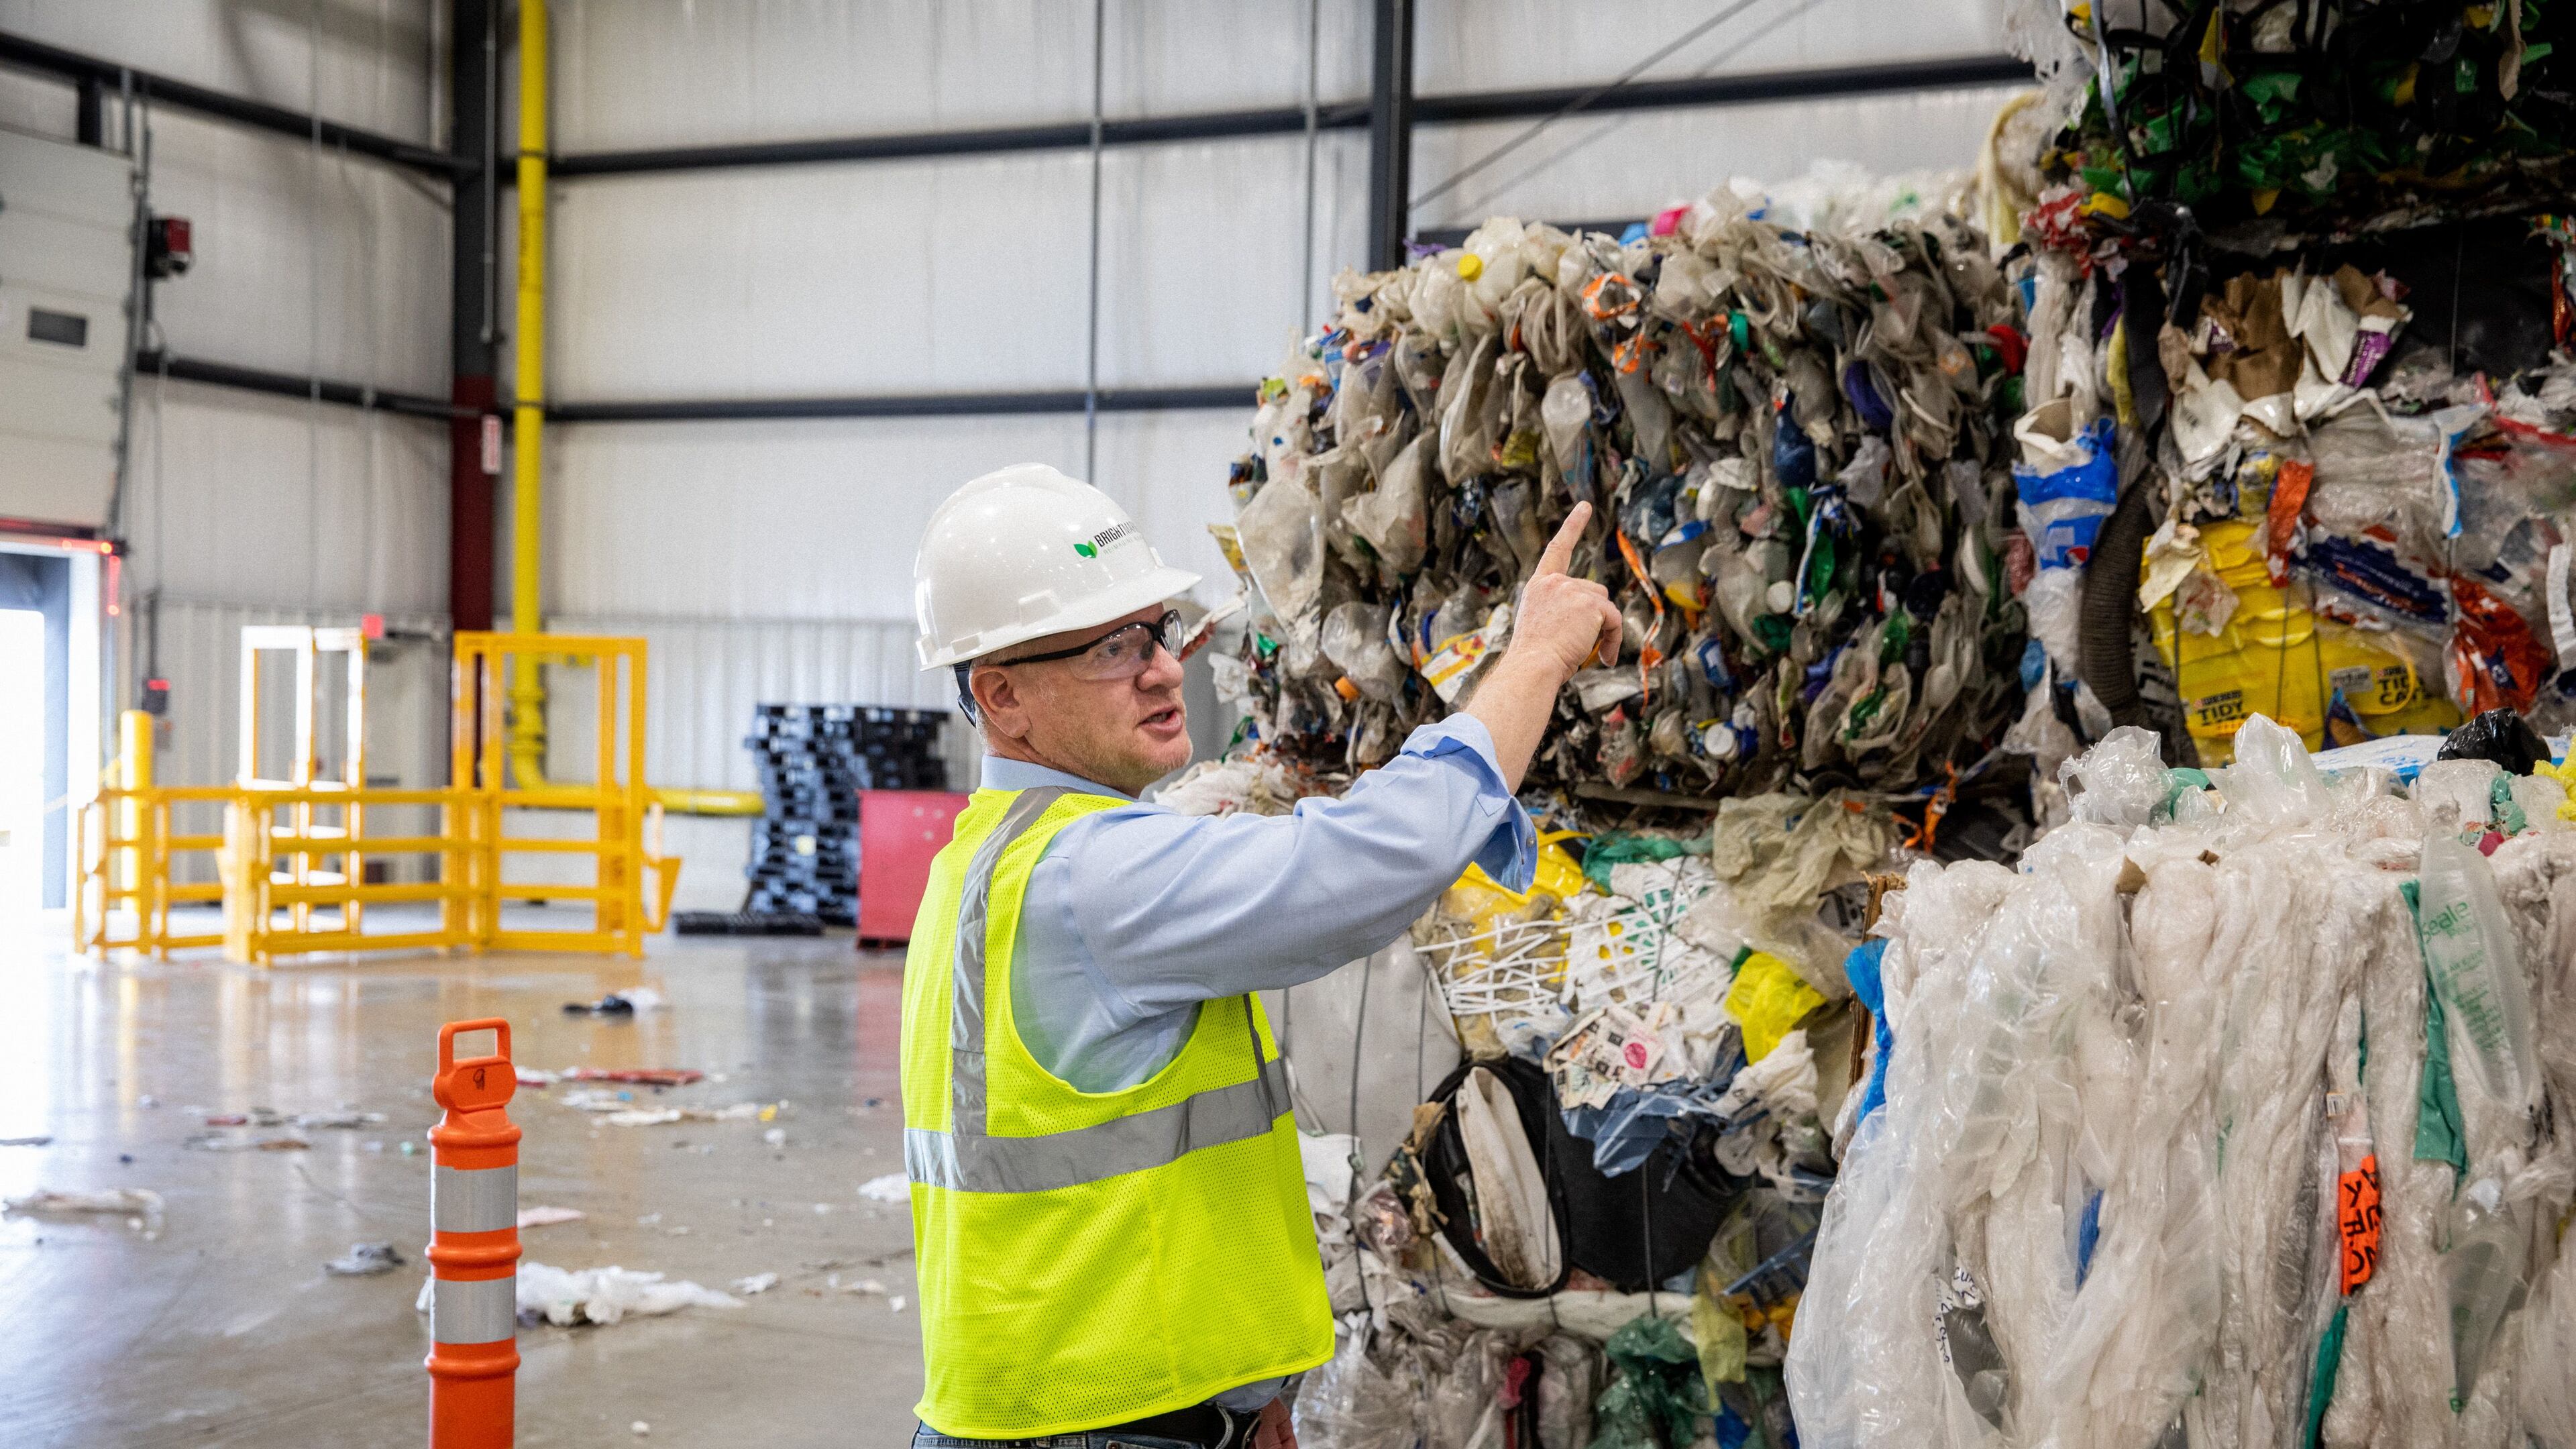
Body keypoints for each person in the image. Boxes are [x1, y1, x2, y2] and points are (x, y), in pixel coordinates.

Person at [901, 463, 1622, 1448]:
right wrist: (1537, 653)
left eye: (1155, 632)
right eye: (1110, 647)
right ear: (1003, 696)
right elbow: (1368, 863)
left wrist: (1245, 1406)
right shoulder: (1089, 875)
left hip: (1110, 1414)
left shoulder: (995, 860)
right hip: (1097, 1428)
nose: (1161, 668)